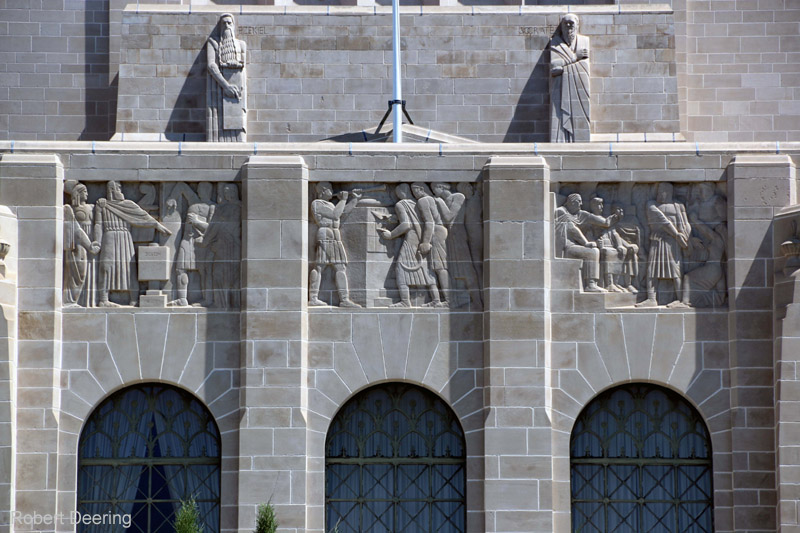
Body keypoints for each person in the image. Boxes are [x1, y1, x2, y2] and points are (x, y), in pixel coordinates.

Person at [94, 181, 172, 307]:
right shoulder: (102, 205)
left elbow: (142, 216)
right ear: (111, 190)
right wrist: (97, 241)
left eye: (120, 188)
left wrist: (158, 226)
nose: (119, 191)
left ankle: (134, 299)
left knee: (129, 268)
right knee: (106, 266)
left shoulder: (128, 204)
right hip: (109, 237)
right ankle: (103, 299)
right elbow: (98, 224)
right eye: (117, 188)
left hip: (125, 238)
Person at [377, 184, 444, 308]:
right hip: (422, 238)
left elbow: (406, 224)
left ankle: (405, 301)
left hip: (412, 239)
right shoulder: (417, 203)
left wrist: (390, 235)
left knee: (400, 268)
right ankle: (436, 299)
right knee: (427, 269)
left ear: (400, 193)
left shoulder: (401, 204)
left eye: (397, 194)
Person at [637, 183, 691, 307]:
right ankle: (651, 299)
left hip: (673, 244)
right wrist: (677, 235)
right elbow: (662, 220)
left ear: (669, 192)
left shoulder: (678, 206)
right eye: (658, 191)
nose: (659, 194)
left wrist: (686, 237)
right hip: (658, 240)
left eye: (662, 191)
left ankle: (680, 300)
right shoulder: (651, 204)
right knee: (652, 269)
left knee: (676, 270)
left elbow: (686, 223)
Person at [309, 182, 362, 307]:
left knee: (339, 267)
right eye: (330, 189)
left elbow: (343, 213)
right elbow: (334, 215)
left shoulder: (331, 205)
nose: (332, 192)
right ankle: (313, 298)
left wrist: (354, 199)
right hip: (326, 235)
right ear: (323, 190)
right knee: (320, 266)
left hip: (335, 237)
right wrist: (343, 199)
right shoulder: (317, 203)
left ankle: (344, 299)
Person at [432, 182, 482, 309]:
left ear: (440, 187)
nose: (434, 192)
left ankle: (478, 302)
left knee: (466, 270)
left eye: (434, 189)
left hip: (458, 236)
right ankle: (456, 301)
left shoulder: (458, 196)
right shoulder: (444, 201)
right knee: (453, 271)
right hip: (449, 238)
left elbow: (449, 217)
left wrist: (440, 203)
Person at [554, 193, 618, 292]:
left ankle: (599, 284)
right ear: (571, 202)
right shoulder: (561, 212)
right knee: (592, 252)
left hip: (574, 246)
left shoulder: (580, 214)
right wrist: (585, 243)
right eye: (579, 201)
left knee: (597, 251)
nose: (581, 204)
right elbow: (572, 229)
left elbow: (604, 222)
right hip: (566, 247)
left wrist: (616, 217)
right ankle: (590, 285)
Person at [170, 183, 216, 307]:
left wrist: (196, 222)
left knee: (205, 272)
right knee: (180, 269)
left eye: (203, 189)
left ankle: (208, 300)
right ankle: (182, 299)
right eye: (199, 189)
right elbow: (182, 186)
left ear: (209, 190)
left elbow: (213, 229)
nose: (200, 191)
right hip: (187, 240)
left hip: (202, 243)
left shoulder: (213, 207)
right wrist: (172, 197)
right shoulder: (194, 201)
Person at [197, 184, 241, 308]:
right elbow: (215, 227)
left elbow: (216, 227)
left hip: (227, 245)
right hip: (226, 246)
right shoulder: (234, 207)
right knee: (224, 276)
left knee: (224, 276)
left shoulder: (227, 208)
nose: (227, 195)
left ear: (234, 192)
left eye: (229, 192)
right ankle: (226, 305)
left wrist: (205, 241)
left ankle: (226, 305)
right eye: (225, 192)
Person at [549, 14, 591, 142]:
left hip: (580, 88)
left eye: (571, 23)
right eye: (565, 23)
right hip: (560, 91)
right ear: (561, 26)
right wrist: (575, 58)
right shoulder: (555, 43)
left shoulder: (584, 41)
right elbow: (554, 66)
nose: (568, 26)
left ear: (577, 25)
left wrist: (563, 67)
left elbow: (584, 66)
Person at [206, 13, 247, 142]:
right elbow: (211, 65)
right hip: (219, 88)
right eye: (224, 23)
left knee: (237, 124)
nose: (227, 25)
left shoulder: (241, 44)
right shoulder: (213, 43)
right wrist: (226, 86)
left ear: (233, 25)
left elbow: (243, 67)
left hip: (238, 89)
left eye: (229, 23)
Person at [411, 182, 450, 306]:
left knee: (440, 267)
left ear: (421, 189)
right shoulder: (433, 199)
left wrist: (425, 242)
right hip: (440, 231)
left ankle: (448, 300)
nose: (414, 194)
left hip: (436, 233)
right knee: (437, 267)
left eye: (414, 191)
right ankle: (438, 300)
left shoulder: (423, 200)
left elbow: (429, 222)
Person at [64, 181, 100, 307]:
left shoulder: (92, 207)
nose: (87, 193)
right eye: (84, 191)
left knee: (88, 273)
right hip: (77, 244)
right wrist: (89, 245)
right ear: (77, 193)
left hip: (91, 243)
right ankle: (69, 301)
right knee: (78, 273)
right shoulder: (69, 209)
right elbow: (76, 230)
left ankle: (86, 302)